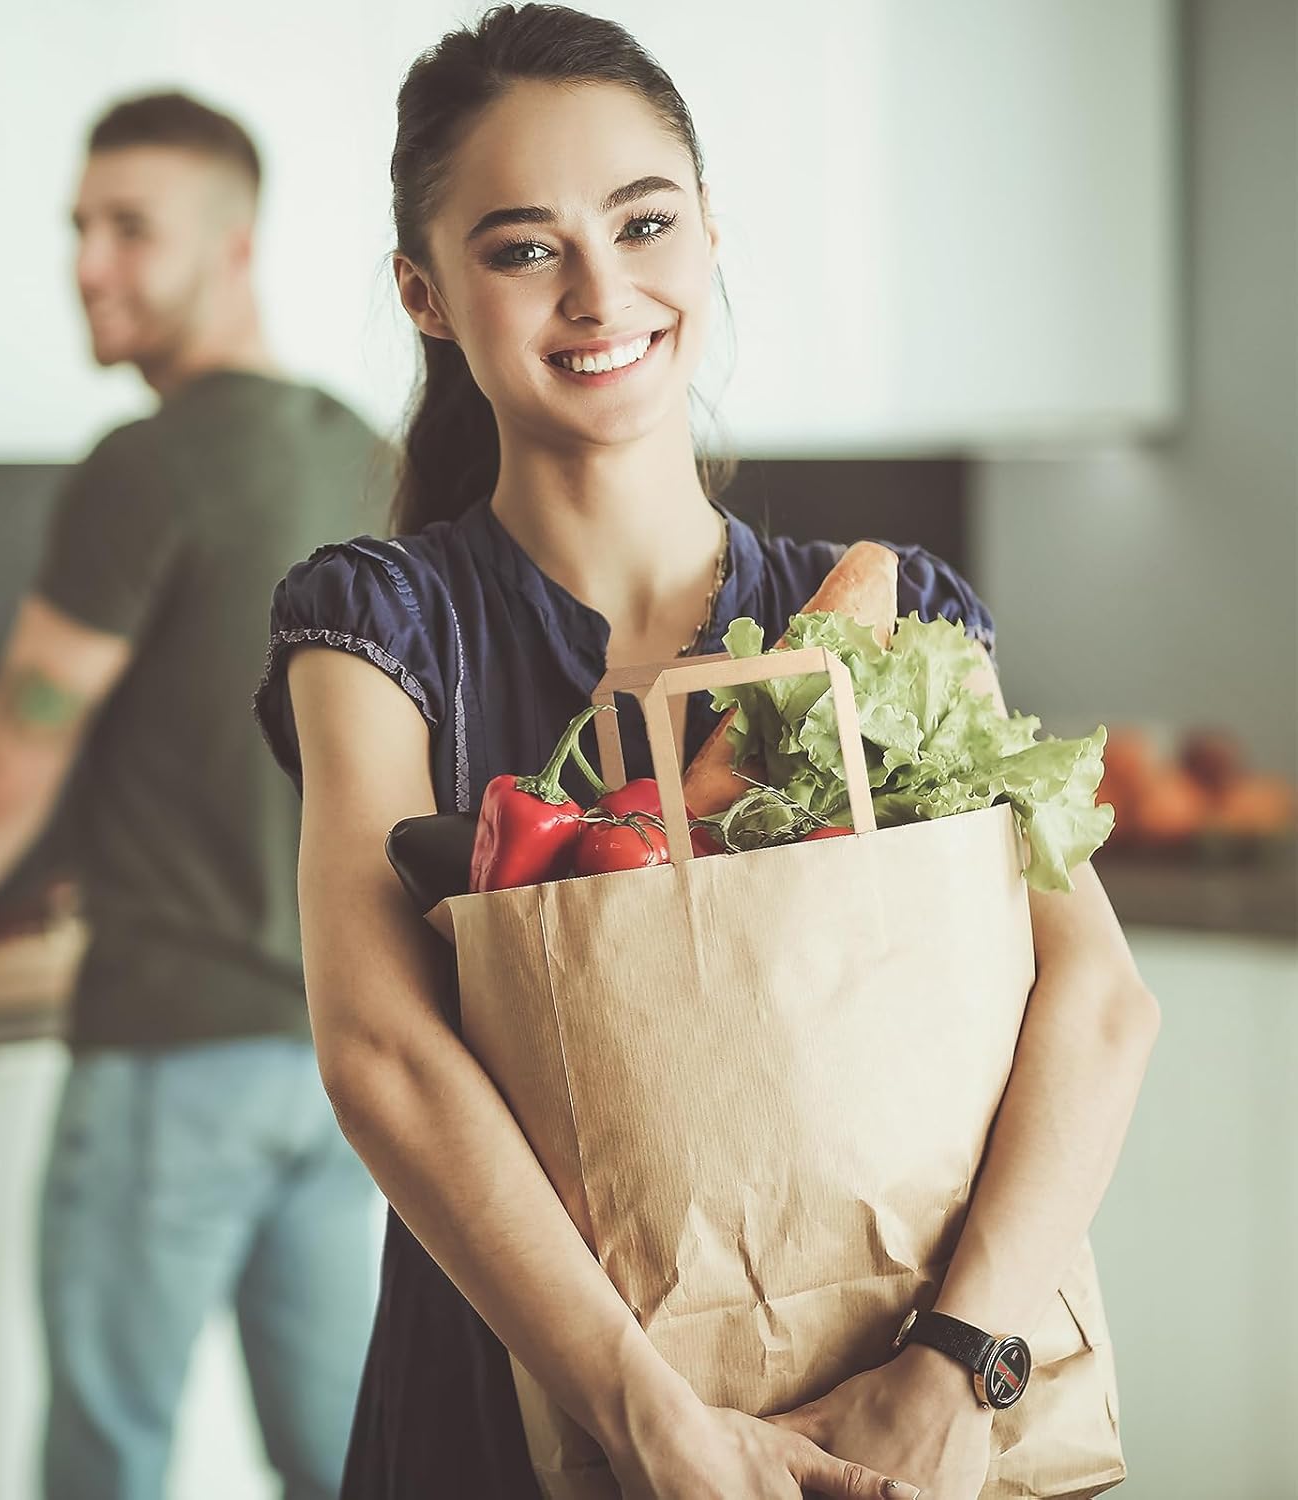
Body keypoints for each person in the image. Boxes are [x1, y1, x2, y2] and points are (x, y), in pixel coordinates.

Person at [254, 7, 1160, 1497]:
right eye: (522, 247)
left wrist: (955, 1368)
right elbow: (381, 1054)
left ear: (713, 231)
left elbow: (1099, 1003)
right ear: (427, 293)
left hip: (906, 1399)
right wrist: (642, 1412)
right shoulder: (381, 627)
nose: (601, 290)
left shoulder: (892, 613)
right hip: (504, 1421)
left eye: (644, 220)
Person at [0, 92, 384, 1499]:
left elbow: (17, 747)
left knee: (108, 1455)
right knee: (341, 1459)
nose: (91, 263)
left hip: (169, 1054)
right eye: (80, 227)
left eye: (131, 229)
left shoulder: (146, 465)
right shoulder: (366, 450)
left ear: (234, 244)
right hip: (345, 1064)